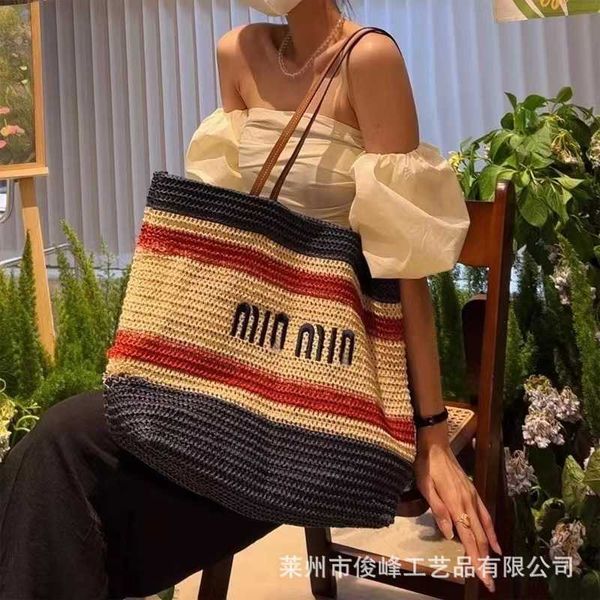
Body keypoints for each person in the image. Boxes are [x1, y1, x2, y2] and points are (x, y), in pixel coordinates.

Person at [0, 1, 501, 598]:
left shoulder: (368, 58)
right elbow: (234, 234)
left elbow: (406, 267)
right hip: (236, 361)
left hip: (327, 376)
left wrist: (433, 435)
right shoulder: (237, 52)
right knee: (52, 454)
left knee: (77, 501)